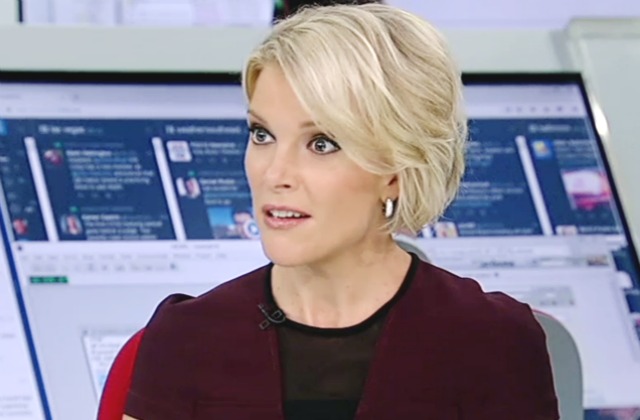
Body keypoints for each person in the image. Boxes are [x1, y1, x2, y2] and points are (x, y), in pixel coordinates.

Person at [120, 3, 559, 420]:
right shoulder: (187, 337)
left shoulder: (492, 341)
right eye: (262, 134)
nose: (275, 173)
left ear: (395, 171)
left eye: (321, 144)